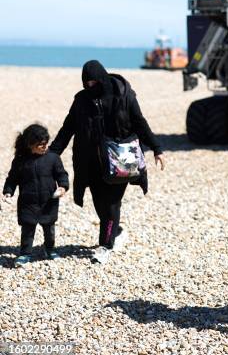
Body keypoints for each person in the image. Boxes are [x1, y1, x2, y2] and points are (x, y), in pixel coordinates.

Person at [49, 60, 165, 264]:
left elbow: (139, 121)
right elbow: (68, 128)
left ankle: (105, 245)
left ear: (102, 78)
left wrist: (156, 148)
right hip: (90, 162)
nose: (91, 87)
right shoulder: (82, 100)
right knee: (99, 204)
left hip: (120, 159)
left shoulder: (123, 94)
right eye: (87, 83)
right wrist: (52, 154)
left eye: (94, 82)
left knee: (111, 204)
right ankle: (116, 231)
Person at [2, 124, 69, 267]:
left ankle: (49, 249)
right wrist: (8, 192)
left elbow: (62, 174)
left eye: (46, 143)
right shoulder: (20, 160)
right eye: (40, 145)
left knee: (49, 230)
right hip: (28, 202)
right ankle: (25, 253)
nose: (44, 147)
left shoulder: (53, 158)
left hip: (48, 202)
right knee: (27, 230)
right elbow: (12, 179)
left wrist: (63, 187)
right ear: (30, 145)